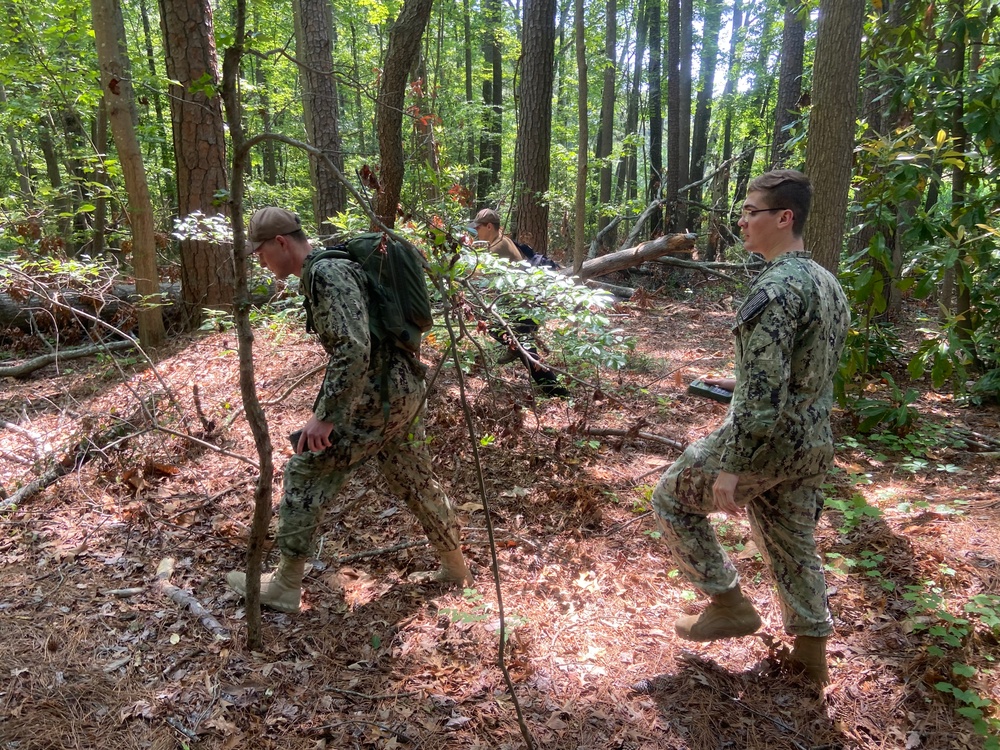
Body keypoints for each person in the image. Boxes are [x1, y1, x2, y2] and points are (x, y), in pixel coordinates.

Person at [650, 170, 850, 685]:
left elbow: (763, 398)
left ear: (784, 217)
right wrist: (730, 380)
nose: (741, 221)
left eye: (750, 212)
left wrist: (733, 466)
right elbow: (803, 370)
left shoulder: (777, 286)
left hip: (768, 441)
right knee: (792, 543)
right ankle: (810, 657)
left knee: (671, 497)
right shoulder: (827, 283)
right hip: (812, 441)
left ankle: (727, 602)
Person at [226, 207, 472, 613]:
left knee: (306, 468)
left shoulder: (326, 274)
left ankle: (286, 584)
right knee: (413, 473)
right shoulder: (335, 266)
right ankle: (455, 566)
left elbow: (353, 348)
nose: (260, 259)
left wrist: (326, 416)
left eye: (261, 251)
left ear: (281, 243)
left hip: (377, 396)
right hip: (403, 389)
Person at [470, 208, 568, 398]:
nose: (475, 232)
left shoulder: (499, 248)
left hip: (524, 307)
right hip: (523, 304)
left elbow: (477, 274)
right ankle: (554, 389)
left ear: (489, 227)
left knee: (526, 352)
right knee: (519, 345)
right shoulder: (502, 241)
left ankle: (558, 393)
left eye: (478, 228)